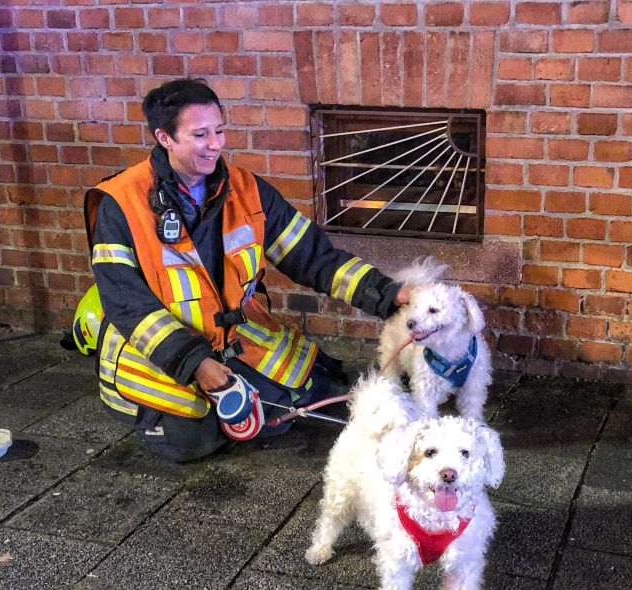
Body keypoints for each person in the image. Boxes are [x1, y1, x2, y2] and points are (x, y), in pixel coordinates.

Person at [85, 78, 408, 462]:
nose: (216, 144)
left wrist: (390, 295)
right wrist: (196, 364)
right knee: (194, 439)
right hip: (158, 352)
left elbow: (313, 257)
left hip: (234, 336)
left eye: (219, 131)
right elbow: (127, 305)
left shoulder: (246, 190)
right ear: (164, 137)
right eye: (200, 134)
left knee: (315, 391)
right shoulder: (121, 203)